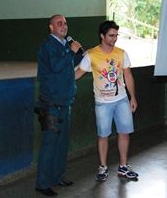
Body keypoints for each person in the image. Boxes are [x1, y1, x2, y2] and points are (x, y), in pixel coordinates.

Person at [75, 20, 138, 181]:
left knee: (124, 133)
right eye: (111, 35)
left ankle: (123, 166)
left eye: (116, 35)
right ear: (102, 36)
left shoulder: (122, 53)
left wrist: (133, 97)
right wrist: (60, 81)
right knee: (103, 136)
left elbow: (128, 75)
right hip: (102, 103)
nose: (114, 38)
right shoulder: (91, 55)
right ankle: (103, 167)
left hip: (122, 100)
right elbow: (78, 74)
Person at [35, 14, 83, 196]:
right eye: (59, 23)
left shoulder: (64, 45)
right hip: (51, 104)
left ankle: (56, 177)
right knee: (50, 143)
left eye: (65, 23)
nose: (64, 26)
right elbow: (56, 66)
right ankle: (42, 183)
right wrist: (71, 51)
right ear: (51, 27)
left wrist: (81, 55)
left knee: (62, 144)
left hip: (65, 101)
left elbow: (72, 63)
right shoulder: (48, 46)